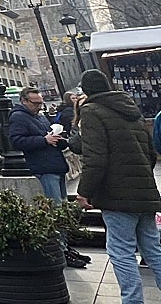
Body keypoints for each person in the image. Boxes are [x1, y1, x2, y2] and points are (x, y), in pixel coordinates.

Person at [76, 68, 161, 304]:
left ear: (86, 90)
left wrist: (84, 191)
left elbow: (95, 157)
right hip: (144, 192)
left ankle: (132, 301)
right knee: (153, 250)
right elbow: (150, 153)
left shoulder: (91, 111)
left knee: (121, 252)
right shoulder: (130, 109)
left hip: (117, 195)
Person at [8, 87, 89, 268]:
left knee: (62, 209)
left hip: (56, 165)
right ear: (24, 101)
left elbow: (48, 137)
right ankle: (60, 250)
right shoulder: (19, 117)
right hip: (45, 168)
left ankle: (66, 247)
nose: (39, 106)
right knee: (56, 210)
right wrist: (43, 140)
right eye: (35, 103)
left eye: (40, 103)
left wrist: (59, 140)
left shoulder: (39, 116)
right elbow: (16, 141)